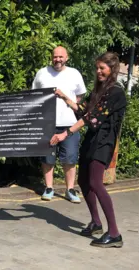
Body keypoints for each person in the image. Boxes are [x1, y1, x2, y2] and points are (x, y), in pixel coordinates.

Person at [51, 52, 126, 248]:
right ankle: (96, 223)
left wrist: (65, 134)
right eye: (97, 68)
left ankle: (115, 233)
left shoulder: (115, 92)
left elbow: (90, 118)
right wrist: (64, 97)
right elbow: (83, 108)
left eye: (102, 68)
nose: (98, 71)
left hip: (104, 142)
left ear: (112, 70)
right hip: (93, 139)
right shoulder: (99, 90)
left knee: (95, 182)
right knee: (84, 181)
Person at [32, 46, 87, 203]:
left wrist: (68, 104)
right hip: (47, 123)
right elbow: (34, 94)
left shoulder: (74, 74)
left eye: (61, 57)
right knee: (47, 158)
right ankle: (49, 188)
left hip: (69, 124)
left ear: (67, 58)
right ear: (51, 57)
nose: (58, 59)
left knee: (70, 158)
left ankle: (70, 189)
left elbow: (81, 95)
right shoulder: (42, 73)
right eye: (55, 56)